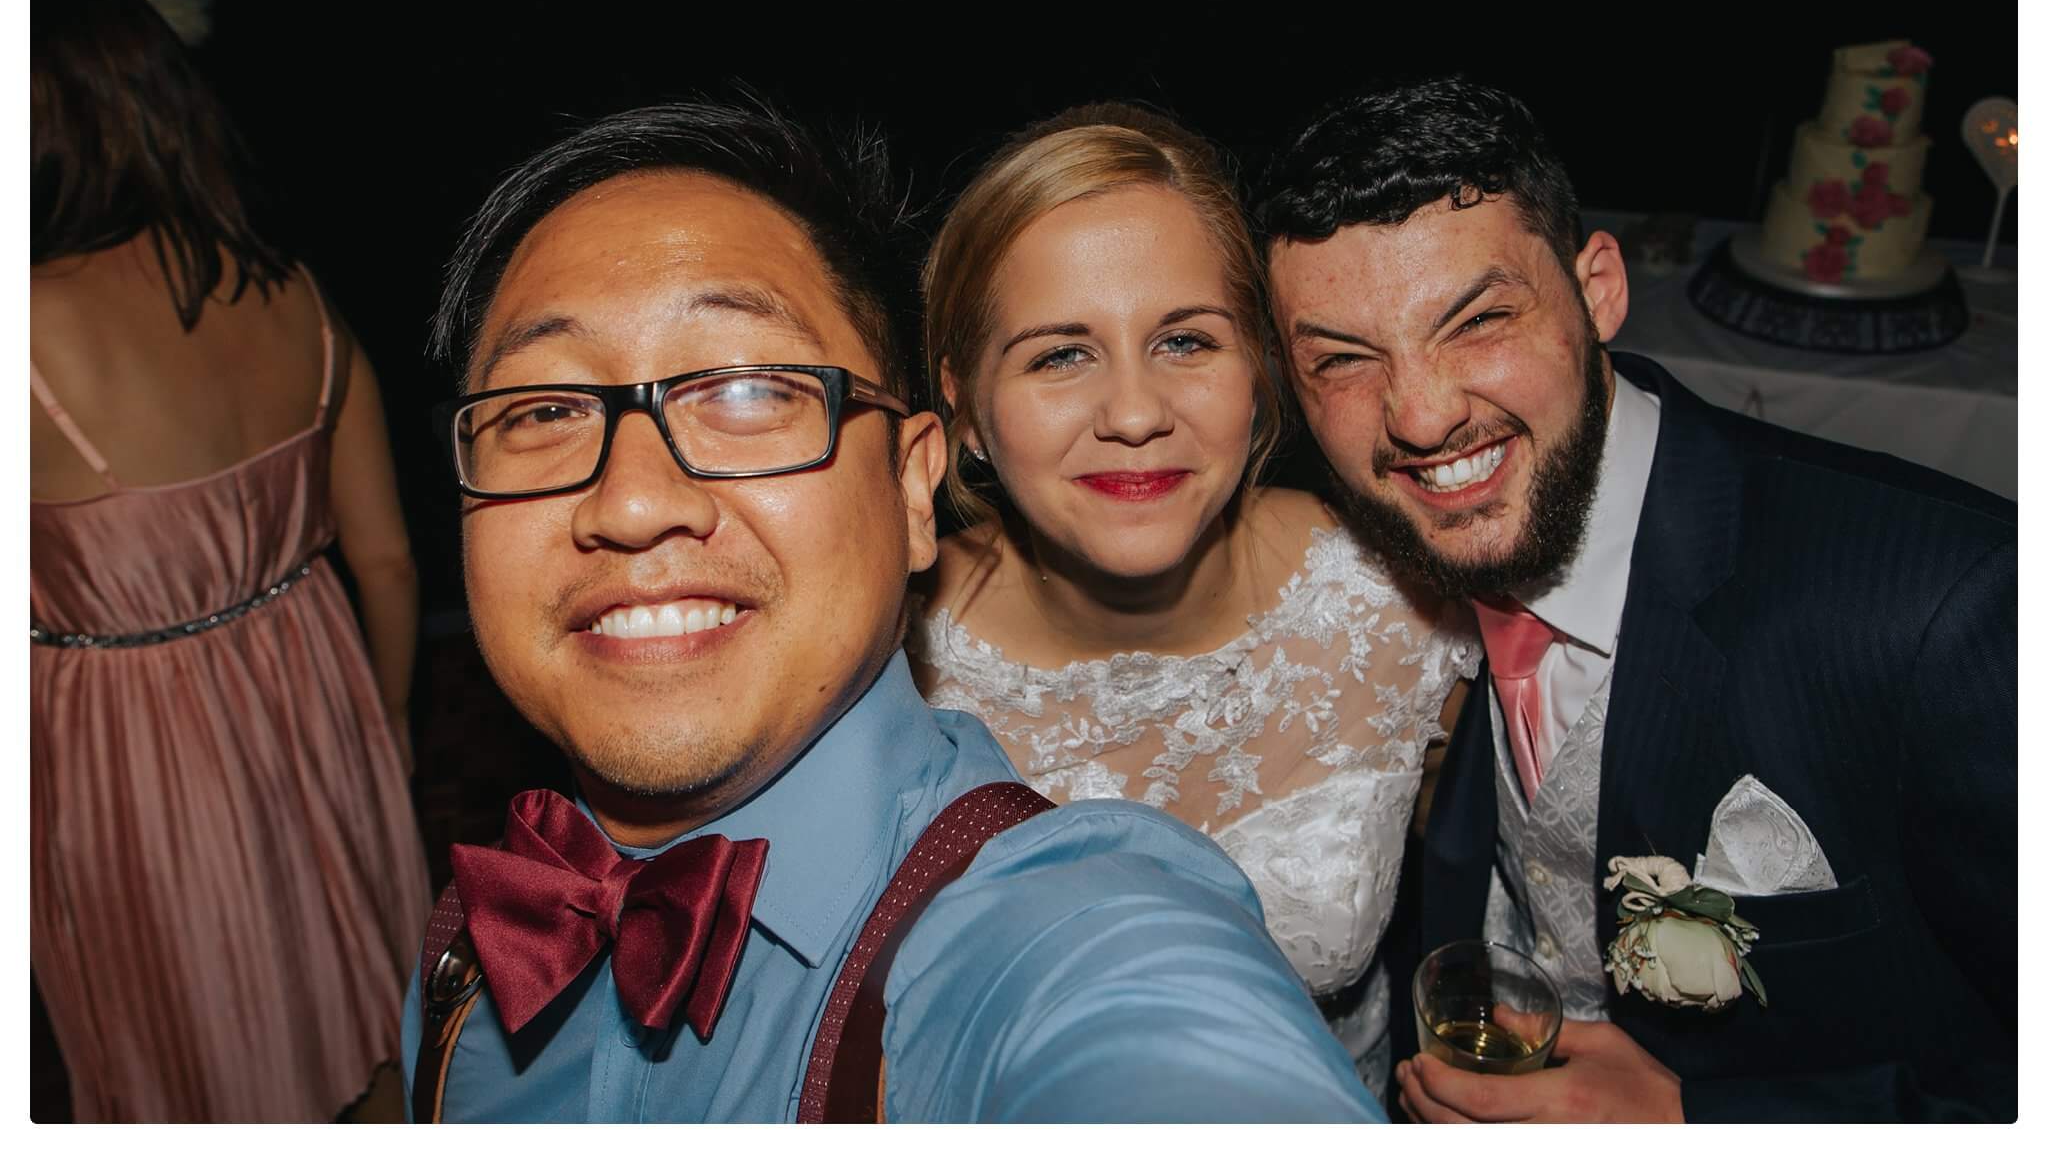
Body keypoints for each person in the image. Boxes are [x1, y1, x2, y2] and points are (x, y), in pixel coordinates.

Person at [401, 94, 1383, 1122]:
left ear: (912, 487)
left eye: (746, 390)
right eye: (546, 408)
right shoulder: (475, 948)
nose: (634, 500)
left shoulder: (1060, 929)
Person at [1255, 75, 2016, 1122]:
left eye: (1476, 322)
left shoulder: (1949, 604)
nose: (1420, 416)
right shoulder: (1377, 573)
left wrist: (1696, 1120)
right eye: (1341, 360)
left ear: (1597, 287)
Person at [907, 101, 1478, 1101]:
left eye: (1183, 340)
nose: (1135, 413)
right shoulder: (877, 660)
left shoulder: (1401, 605)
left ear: (1256, 367)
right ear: (963, 411)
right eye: (1058, 354)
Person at [29, 0, 432, 1121]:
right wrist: (390, 721)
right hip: (317, 691)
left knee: (189, 1043)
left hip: (127, 737)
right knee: (341, 1008)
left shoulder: (27, 326)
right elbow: (390, 561)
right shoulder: (292, 289)